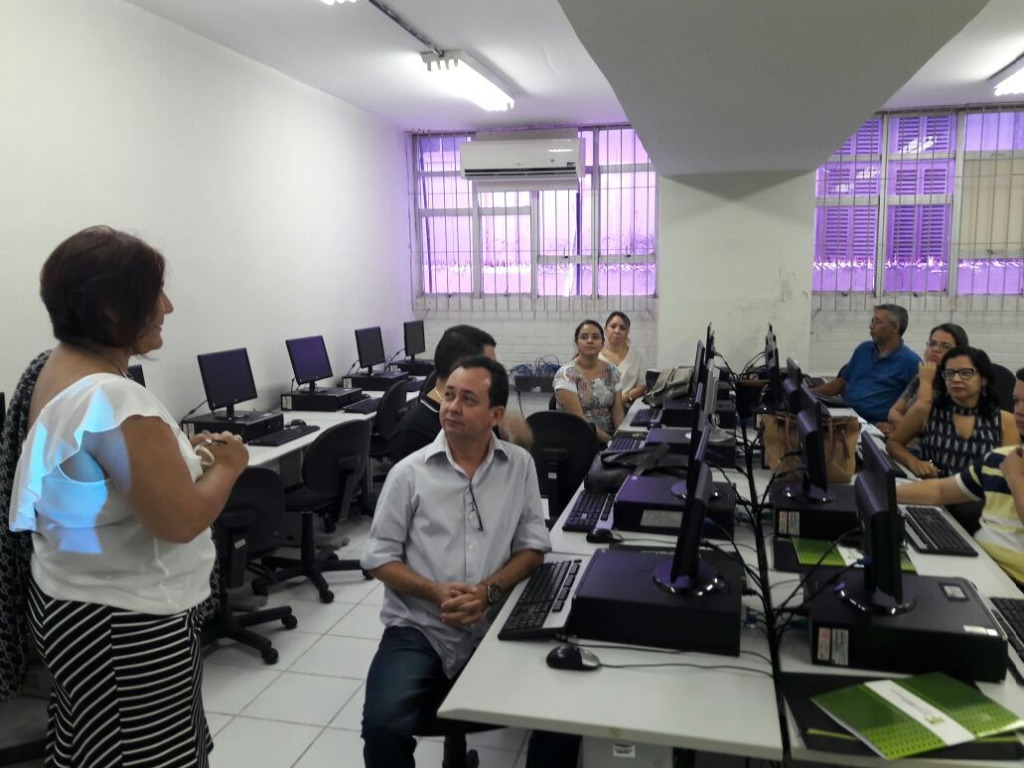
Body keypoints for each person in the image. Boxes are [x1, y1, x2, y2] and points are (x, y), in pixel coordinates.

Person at [6, 226, 249, 767]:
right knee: (148, 756)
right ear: (114, 312)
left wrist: (175, 458)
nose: (168, 306)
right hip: (126, 627)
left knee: (96, 750)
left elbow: (100, 477)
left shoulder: (57, 367)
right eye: (155, 293)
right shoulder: (112, 396)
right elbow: (182, 520)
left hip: (75, 605)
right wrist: (228, 467)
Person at [360, 356, 550, 768]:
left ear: (496, 414)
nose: (451, 407)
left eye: (467, 399)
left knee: (560, 716)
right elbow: (377, 558)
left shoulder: (519, 467)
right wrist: (434, 591)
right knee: (382, 726)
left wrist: (488, 592)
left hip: (497, 624)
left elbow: (533, 547)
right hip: (421, 627)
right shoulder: (408, 474)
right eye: (448, 396)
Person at [895, 367, 1024, 587]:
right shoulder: (1001, 458)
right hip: (981, 566)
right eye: (1016, 401)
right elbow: (940, 491)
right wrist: (880, 489)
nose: (1019, 411)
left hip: (1014, 585)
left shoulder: (1011, 466)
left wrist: (1015, 478)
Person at [388, 324, 531, 463]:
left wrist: (514, 439)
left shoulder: (479, 417)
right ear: (461, 368)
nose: (494, 375)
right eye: (489, 367)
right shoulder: (412, 435)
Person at [887, 346, 1016, 478]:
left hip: (984, 495)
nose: (955, 379)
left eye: (965, 373)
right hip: (932, 490)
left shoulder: (1005, 421)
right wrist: (914, 462)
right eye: (949, 373)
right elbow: (893, 443)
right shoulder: (927, 411)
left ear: (983, 379)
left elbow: (1011, 474)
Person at [811, 304, 920, 430]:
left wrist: (895, 427)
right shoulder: (864, 349)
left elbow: (920, 407)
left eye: (878, 322)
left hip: (873, 426)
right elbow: (843, 382)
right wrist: (811, 393)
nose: (871, 326)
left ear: (895, 327)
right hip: (845, 414)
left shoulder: (911, 362)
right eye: (872, 320)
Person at [554, 319, 626, 443]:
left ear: (603, 342)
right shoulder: (566, 375)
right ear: (577, 342)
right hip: (579, 441)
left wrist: (622, 439)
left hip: (610, 439)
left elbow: (617, 409)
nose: (590, 340)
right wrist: (611, 442)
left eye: (595, 337)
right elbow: (580, 420)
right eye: (584, 337)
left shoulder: (612, 370)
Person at [887, 323, 969, 428]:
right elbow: (893, 412)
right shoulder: (923, 374)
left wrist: (926, 382)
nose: (935, 349)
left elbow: (926, 427)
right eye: (932, 343)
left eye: (945, 346)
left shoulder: (957, 384)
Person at [600, 310, 647, 408]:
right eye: (613, 326)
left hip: (627, 409)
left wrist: (624, 398)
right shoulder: (596, 356)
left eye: (622, 328)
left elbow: (642, 386)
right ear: (605, 329)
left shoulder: (636, 357)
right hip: (600, 410)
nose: (617, 331)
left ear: (627, 333)